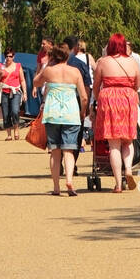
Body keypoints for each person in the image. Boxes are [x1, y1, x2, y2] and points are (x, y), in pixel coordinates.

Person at [92, 34, 140, 193]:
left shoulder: (103, 62)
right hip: (128, 98)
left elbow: (96, 84)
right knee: (128, 140)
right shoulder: (132, 61)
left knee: (114, 144)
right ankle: (128, 169)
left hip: (109, 99)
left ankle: (118, 184)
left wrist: (97, 99)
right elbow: (139, 84)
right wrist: (130, 94)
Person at [34, 46, 87, 196]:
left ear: (53, 58)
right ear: (66, 57)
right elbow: (84, 97)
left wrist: (46, 66)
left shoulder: (49, 71)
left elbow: (36, 82)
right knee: (69, 150)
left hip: (53, 114)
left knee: (55, 152)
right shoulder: (75, 72)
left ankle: (56, 187)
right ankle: (69, 180)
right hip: (71, 114)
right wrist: (83, 112)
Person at [0, 49, 23, 140]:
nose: (8, 58)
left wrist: (25, 93)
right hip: (4, 92)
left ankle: (16, 129)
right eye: (6, 56)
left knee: (15, 111)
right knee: (5, 113)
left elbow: (22, 80)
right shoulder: (1, 66)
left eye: (10, 56)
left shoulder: (18, 66)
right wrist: (0, 74)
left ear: (13, 57)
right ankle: (9, 134)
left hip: (15, 92)